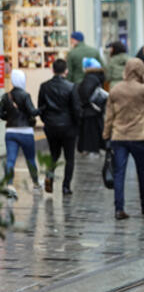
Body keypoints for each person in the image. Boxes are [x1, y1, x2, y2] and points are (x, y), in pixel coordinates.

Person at [102, 58, 144, 220]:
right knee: (142, 172)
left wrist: (106, 134)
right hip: (138, 136)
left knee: (119, 172)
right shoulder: (143, 90)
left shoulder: (115, 89)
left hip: (119, 136)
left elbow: (109, 115)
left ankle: (119, 208)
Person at [38, 59, 81, 195]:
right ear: (66, 71)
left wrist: (46, 121)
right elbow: (76, 109)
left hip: (51, 126)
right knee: (69, 158)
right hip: (68, 126)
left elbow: (41, 107)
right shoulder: (71, 86)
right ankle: (66, 186)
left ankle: (49, 177)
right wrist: (76, 125)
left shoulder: (44, 86)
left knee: (54, 155)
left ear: (52, 70)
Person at [0, 70, 41, 196]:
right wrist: (43, 109)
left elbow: (1, 114)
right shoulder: (25, 95)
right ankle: (35, 183)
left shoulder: (6, 96)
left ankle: (10, 185)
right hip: (26, 132)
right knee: (30, 159)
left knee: (11, 159)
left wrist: (10, 118)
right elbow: (33, 112)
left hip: (11, 132)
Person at [77, 57, 106, 155]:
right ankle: (99, 147)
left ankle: (90, 149)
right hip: (96, 109)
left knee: (89, 131)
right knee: (96, 129)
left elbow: (85, 92)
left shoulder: (89, 78)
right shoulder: (97, 76)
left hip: (89, 109)